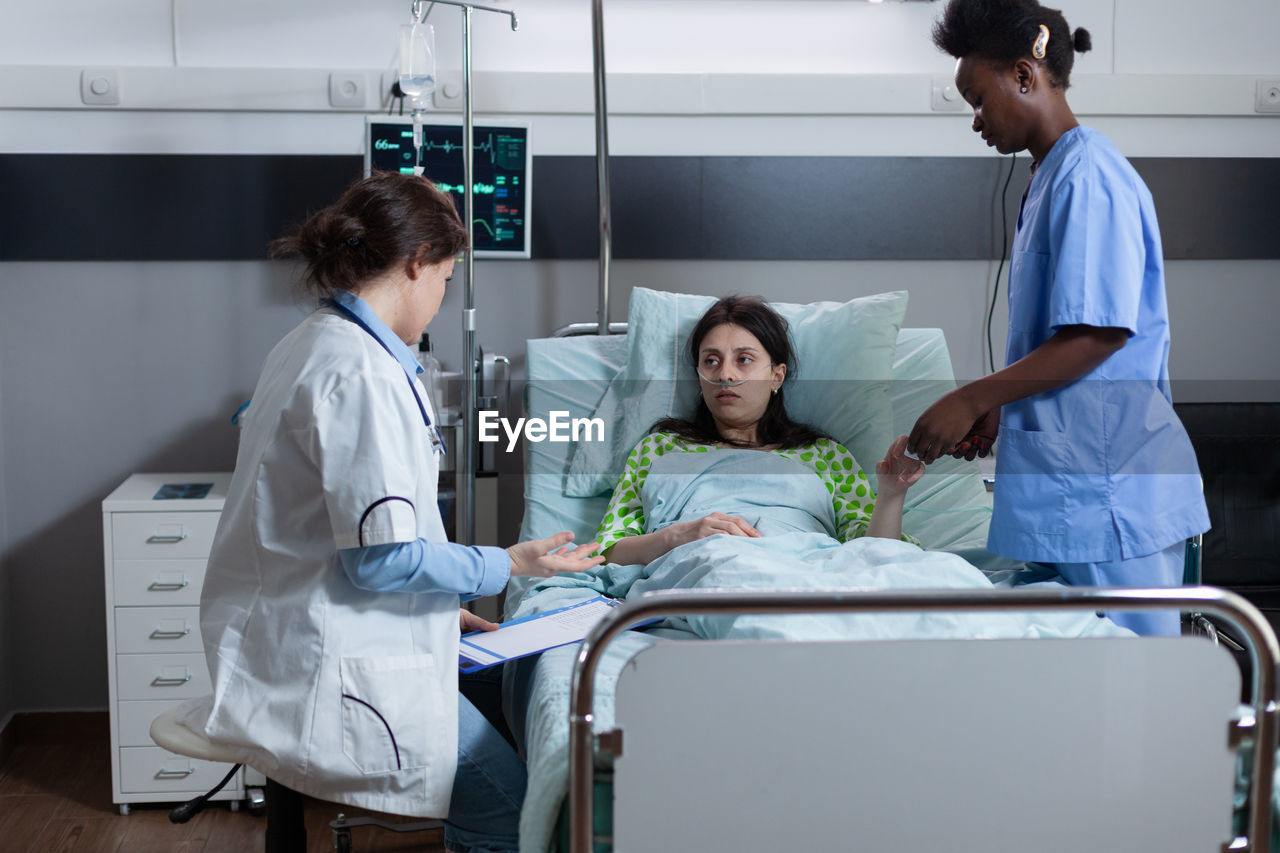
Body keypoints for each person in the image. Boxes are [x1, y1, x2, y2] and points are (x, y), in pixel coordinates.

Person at [179, 172, 603, 853]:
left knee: (501, 687)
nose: (440, 301)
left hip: (302, 630)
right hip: (327, 669)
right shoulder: (362, 374)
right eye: (445, 280)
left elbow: (343, 535)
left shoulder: (315, 342)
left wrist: (436, 608)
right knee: (507, 803)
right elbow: (383, 558)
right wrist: (510, 562)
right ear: (414, 264)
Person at [907, 0, 1209, 636]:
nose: (975, 121)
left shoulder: (1089, 174)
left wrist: (971, 397)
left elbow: (1096, 334)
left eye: (978, 98)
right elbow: (1056, 338)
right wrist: (1003, 408)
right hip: (1072, 485)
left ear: (1024, 75)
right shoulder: (1050, 177)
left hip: (1109, 491)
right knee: (1080, 699)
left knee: (1132, 695)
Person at [598, 295, 924, 566]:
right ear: (698, 375)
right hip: (704, 570)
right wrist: (677, 537)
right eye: (711, 361)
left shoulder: (824, 455)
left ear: (776, 376)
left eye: (744, 360)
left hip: (810, 574)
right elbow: (609, 552)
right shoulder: (662, 447)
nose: (725, 374)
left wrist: (892, 495)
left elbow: (878, 559)